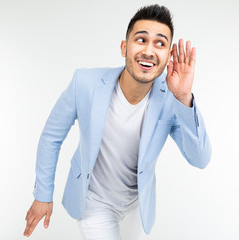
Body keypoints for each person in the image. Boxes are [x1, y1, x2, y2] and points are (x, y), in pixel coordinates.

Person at [24, 4, 211, 240]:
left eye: (160, 43)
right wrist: (43, 193)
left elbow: (200, 159)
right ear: (124, 47)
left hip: (136, 205)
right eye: (141, 40)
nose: (149, 51)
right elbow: (52, 136)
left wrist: (184, 98)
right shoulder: (85, 82)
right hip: (93, 201)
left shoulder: (171, 98)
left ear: (168, 56)